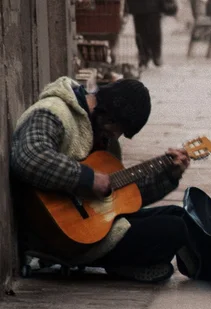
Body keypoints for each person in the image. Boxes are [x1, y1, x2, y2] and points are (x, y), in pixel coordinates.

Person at [10, 77, 190, 283]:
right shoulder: (52, 111)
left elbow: (124, 198)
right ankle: (121, 263)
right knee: (172, 230)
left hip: (93, 227)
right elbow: (30, 157)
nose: (116, 136)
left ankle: (125, 262)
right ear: (109, 117)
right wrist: (87, 179)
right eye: (118, 129)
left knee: (178, 216)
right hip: (55, 232)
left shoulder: (102, 135)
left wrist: (169, 175)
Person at [126, 0, 163, 68]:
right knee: (141, 31)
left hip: (152, 6)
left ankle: (154, 54)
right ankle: (144, 55)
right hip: (139, 6)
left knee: (153, 30)